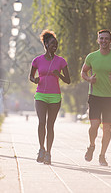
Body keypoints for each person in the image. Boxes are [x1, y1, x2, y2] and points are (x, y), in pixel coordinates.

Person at [81, 29, 111, 166]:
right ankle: (91, 146)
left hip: (109, 98)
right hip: (95, 96)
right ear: (98, 40)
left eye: (106, 39)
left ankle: (102, 155)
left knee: (107, 128)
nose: (103, 41)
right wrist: (89, 79)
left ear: (110, 41)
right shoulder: (91, 57)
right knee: (94, 126)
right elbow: (83, 72)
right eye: (101, 38)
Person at [29, 30, 70, 165]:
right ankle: (41, 148)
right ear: (46, 44)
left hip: (55, 97)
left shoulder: (61, 61)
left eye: (56, 44)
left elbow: (68, 80)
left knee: (50, 125)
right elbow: (31, 76)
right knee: (41, 122)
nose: (55, 46)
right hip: (40, 95)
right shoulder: (37, 60)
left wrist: (59, 74)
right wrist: (34, 80)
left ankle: (48, 153)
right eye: (52, 43)